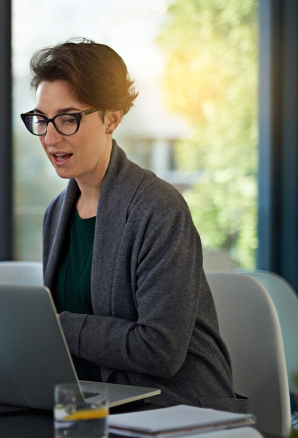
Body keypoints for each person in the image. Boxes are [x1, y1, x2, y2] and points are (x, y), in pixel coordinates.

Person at [22, 38, 246, 412]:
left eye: (67, 118)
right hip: (94, 402)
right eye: (41, 120)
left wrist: (56, 326)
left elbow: (159, 350)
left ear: (112, 117)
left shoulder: (158, 208)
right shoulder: (57, 212)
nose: (50, 136)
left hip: (173, 408)